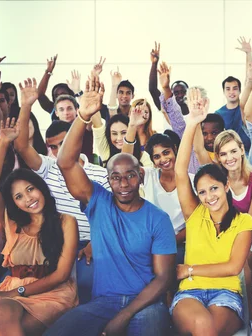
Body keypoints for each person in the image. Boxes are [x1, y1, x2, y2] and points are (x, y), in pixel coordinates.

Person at [45, 76, 176, 336]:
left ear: (141, 176)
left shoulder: (158, 219)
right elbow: (66, 163)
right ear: (108, 180)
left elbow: (163, 279)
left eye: (130, 175)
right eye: (116, 177)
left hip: (146, 304)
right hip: (102, 304)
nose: (124, 183)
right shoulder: (98, 202)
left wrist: (124, 316)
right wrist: (82, 116)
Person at [14, 78, 109, 305]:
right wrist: (26, 105)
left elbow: (109, 215)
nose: (58, 151)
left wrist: (95, 243)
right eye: (53, 147)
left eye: (63, 143)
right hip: (55, 244)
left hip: (90, 244)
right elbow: (22, 147)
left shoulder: (100, 173)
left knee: (87, 286)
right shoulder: (48, 167)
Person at [170, 88, 252, 335]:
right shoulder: (195, 215)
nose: (210, 197)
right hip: (189, 293)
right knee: (203, 326)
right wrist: (193, 122)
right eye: (203, 192)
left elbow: (232, 267)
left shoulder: (243, 221)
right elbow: (179, 170)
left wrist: (190, 269)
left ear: (226, 186)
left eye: (214, 188)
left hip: (226, 294)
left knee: (207, 329)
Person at [0, 118, 78, 335]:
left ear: (41, 188)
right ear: (14, 203)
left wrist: (17, 293)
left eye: (31, 189)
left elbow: (61, 274)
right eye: (19, 197)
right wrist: (3, 143)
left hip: (50, 294)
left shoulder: (65, 221)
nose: (28, 199)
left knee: (0, 313)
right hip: (9, 293)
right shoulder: (12, 225)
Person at [122, 130, 191, 265]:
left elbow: (193, 223)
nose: (163, 160)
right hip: (150, 243)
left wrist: (169, 242)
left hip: (180, 244)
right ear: (153, 160)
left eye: (166, 152)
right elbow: (125, 163)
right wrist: (132, 126)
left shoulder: (192, 180)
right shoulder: (148, 175)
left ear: (174, 149)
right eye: (157, 156)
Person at [216, 76, 252, 153]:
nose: (231, 92)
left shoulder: (246, 109)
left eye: (235, 88)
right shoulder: (218, 114)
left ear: (240, 91)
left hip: (250, 151)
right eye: (228, 89)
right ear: (224, 91)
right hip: (230, 153)